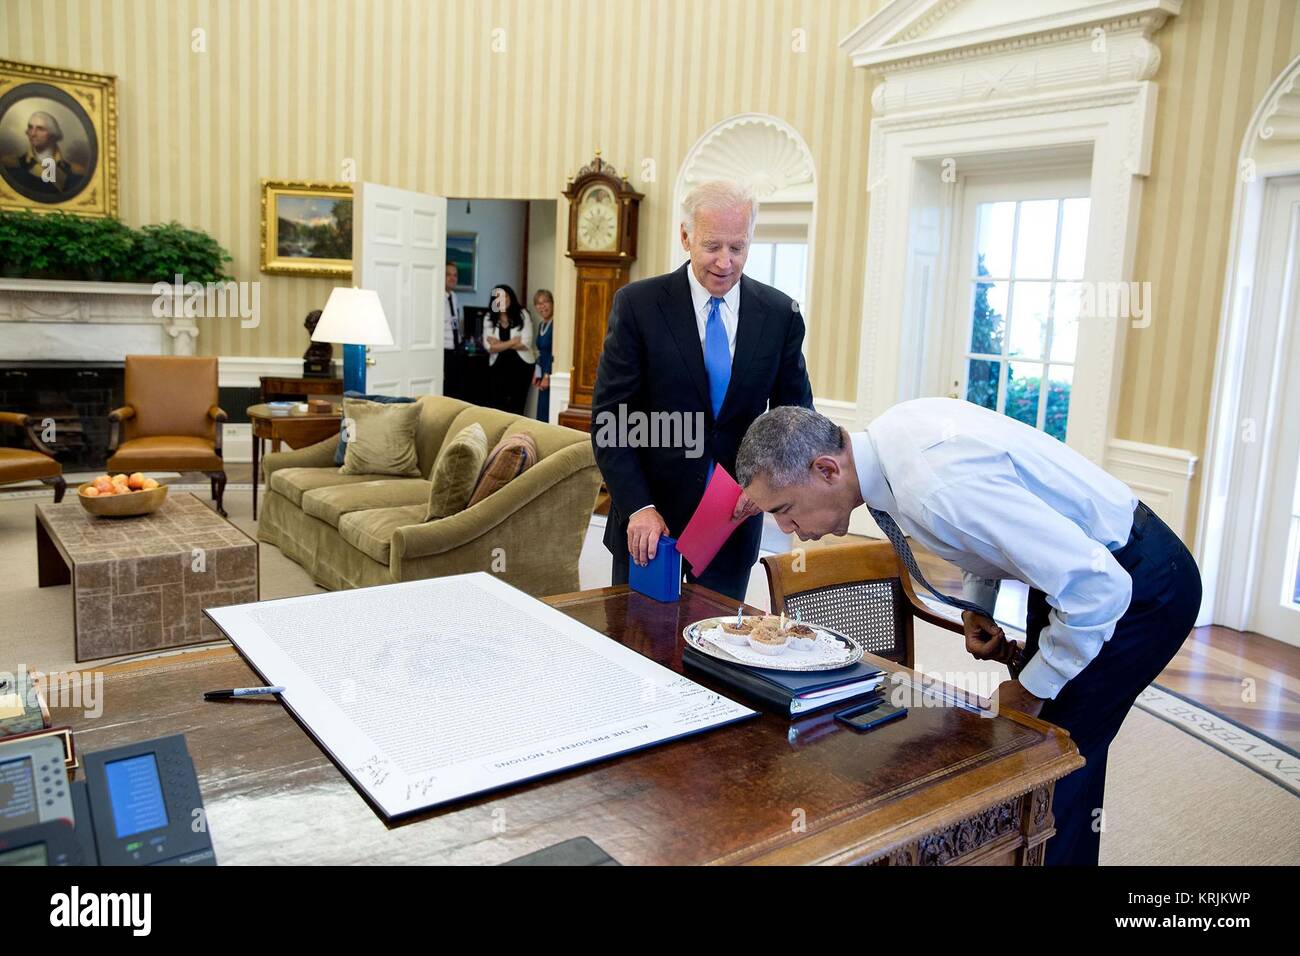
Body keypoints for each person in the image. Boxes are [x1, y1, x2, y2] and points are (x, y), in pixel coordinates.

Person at [733, 401, 1202, 866]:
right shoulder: (889, 441)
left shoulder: (936, 487)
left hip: (1136, 587)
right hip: (1072, 580)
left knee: (1048, 763)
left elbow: (1099, 587)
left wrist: (1032, 688)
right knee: (1059, 755)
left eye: (785, 509)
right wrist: (979, 604)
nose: (784, 527)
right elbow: (994, 523)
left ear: (827, 469)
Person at [591, 180, 814, 602]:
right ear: (685, 236)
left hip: (733, 521)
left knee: (715, 652)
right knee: (640, 646)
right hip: (648, 523)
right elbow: (611, 422)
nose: (726, 262)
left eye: (738, 247)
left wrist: (766, 484)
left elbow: (796, 418)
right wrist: (637, 506)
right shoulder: (638, 305)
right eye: (713, 246)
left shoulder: (779, 314)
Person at [483, 284, 535, 414]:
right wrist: (512, 342)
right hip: (498, 367)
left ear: (511, 297)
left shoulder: (523, 314)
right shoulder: (489, 317)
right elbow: (489, 347)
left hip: (521, 366)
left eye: (506, 296)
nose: (503, 300)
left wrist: (499, 344)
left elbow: (526, 343)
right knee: (498, 406)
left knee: (517, 405)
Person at [442, 261, 466, 400]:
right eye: (448, 274)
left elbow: (454, 321)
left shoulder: (454, 297)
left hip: (456, 349)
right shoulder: (437, 297)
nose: (452, 278)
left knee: (456, 391)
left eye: (455, 275)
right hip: (444, 350)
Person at [531, 289, 555, 422]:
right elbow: (541, 352)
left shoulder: (556, 325)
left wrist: (547, 375)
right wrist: (537, 373)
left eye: (545, 302)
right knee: (541, 412)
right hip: (542, 372)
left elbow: (553, 353)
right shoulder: (541, 325)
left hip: (550, 373)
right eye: (539, 303)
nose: (542, 306)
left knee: (548, 412)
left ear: (552, 303)